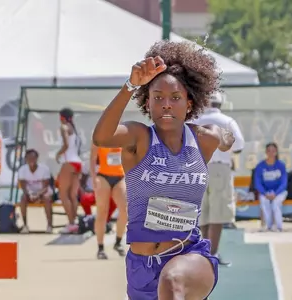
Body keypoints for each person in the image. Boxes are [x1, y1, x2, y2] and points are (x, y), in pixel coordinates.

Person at [92, 40, 235, 300]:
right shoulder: (139, 138)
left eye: (175, 98)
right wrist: (130, 85)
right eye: (158, 98)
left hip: (189, 255)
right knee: (166, 285)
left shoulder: (201, 139)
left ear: (189, 104)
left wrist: (223, 136)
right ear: (148, 104)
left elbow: (226, 138)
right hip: (141, 268)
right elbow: (102, 137)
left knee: (171, 282)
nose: (166, 104)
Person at [192, 91, 245, 266]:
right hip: (220, 167)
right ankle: (212, 254)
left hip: (197, 166)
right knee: (218, 213)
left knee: (202, 213)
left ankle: (202, 252)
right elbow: (239, 146)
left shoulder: (195, 119)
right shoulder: (227, 121)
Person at [90, 145, 127, 259]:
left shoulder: (123, 136)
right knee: (102, 211)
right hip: (103, 176)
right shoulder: (100, 137)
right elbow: (92, 158)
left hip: (120, 176)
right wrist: (94, 177)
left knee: (125, 210)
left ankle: (118, 242)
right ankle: (100, 247)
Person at [55, 108, 82, 234]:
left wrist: (57, 154)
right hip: (77, 163)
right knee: (72, 195)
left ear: (61, 117)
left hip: (69, 163)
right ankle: (74, 223)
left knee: (63, 194)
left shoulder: (64, 127)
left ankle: (71, 223)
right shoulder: (74, 128)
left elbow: (65, 145)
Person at [253, 142, 288, 232]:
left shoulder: (281, 165)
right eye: (269, 151)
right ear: (266, 152)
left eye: (273, 151)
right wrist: (265, 193)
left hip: (279, 192)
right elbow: (258, 183)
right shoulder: (260, 166)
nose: (271, 153)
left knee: (276, 203)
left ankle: (279, 227)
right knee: (264, 202)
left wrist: (275, 193)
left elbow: (284, 183)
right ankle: (269, 226)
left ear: (276, 152)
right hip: (266, 192)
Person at [18, 149, 53, 233]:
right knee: (23, 198)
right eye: (29, 158)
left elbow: (46, 187)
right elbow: (23, 186)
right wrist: (29, 194)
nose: (31, 160)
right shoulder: (22, 170)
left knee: (47, 198)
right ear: (26, 159)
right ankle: (25, 226)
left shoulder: (44, 169)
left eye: (33, 158)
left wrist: (37, 195)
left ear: (37, 158)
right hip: (29, 193)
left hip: (43, 192)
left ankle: (49, 226)